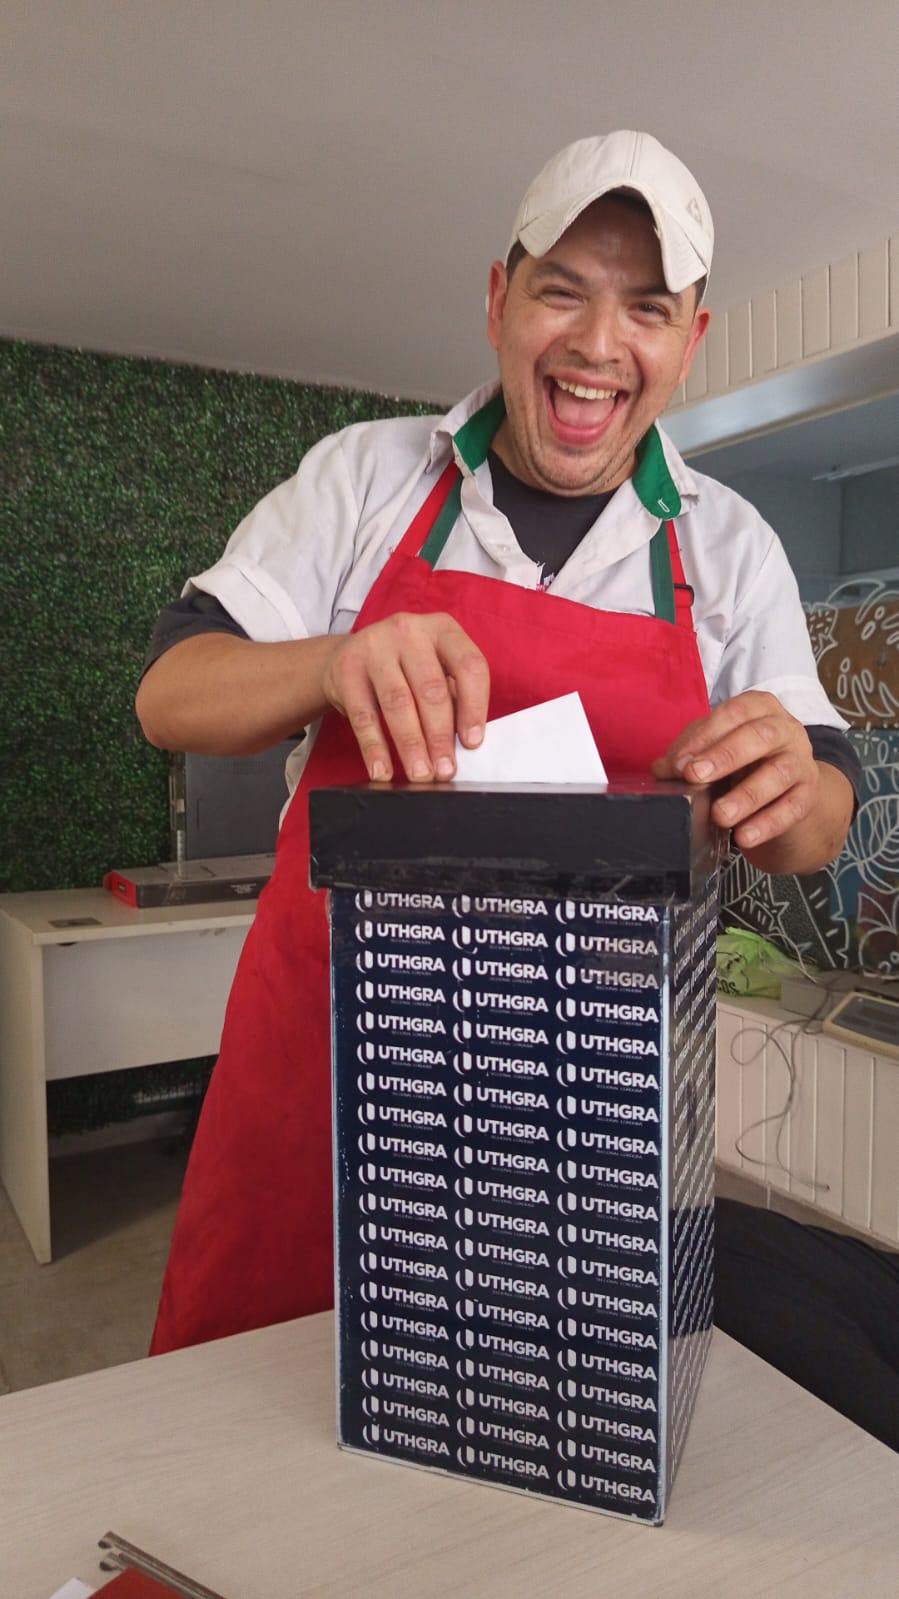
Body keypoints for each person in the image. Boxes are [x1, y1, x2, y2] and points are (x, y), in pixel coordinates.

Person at [138, 130, 859, 1354]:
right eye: (560, 292)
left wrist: (793, 786)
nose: (596, 343)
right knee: (252, 1399)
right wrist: (329, 663)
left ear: (688, 338)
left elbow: (817, 815)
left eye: (644, 308)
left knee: (537, 1398)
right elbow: (171, 693)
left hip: (582, 1095)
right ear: (496, 301)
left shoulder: (729, 548)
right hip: (330, 1059)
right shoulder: (364, 479)